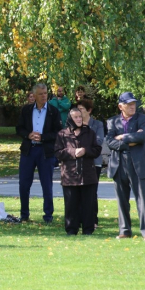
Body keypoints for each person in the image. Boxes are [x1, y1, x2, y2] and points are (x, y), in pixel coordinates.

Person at [105, 92, 145, 241]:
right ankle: (124, 230)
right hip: (119, 164)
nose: (132, 106)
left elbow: (142, 136)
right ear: (121, 106)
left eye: (134, 103)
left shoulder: (142, 118)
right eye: (128, 104)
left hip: (139, 164)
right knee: (121, 200)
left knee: (143, 199)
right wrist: (129, 142)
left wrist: (122, 137)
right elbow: (109, 141)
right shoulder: (112, 122)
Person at [16, 83, 61, 223]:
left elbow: (58, 132)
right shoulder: (26, 110)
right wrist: (28, 135)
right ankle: (24, 215)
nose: (44, 96)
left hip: (45, 152)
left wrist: (43, 137)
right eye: (41, 94)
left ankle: (48, 216)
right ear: (34, 95)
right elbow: (19, 128)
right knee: (24, 184)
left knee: (46, 184)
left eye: (45, 93)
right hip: (29, 151)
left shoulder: (53, 111)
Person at [55, 109, 102, 235]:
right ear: (70, 119)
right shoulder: (63, 134)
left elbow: (97, 150)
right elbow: (58, 152)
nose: (79, 119)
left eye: (80, 117)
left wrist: (85, 151)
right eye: (76, 117)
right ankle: (71, 229)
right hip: (69, 176)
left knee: (88, 204)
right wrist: (72, 152)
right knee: (71, 205)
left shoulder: (89, 133)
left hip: (87, 174)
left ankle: (88, 229)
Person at [77, 99, 104, 227]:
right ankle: (80, 218)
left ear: (89, 110)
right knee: (78, 191)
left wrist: (83, 148)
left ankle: (93, 219)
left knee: (92, 191)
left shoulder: (97, 124)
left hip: (94, 162)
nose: (79, 112)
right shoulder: (74, 124)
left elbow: (98, 141)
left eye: (81, 109)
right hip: (77, 162)